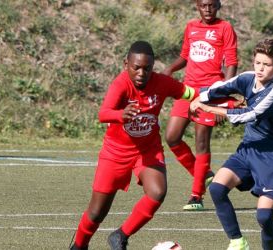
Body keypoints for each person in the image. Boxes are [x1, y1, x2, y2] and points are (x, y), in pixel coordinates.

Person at [69, 41, 198, 250]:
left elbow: (190, 93)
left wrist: (211, 101)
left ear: (153, 67)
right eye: (136, 67)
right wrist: (121, 114)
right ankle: (78, 246)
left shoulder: (162, 83)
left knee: (157, 192)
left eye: (147, 68)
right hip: (115, 153)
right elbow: (103, 113)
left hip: (148, 150)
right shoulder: (120, 84)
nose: (141, 73)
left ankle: (120, 236)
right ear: (126, 64)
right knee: (97, 212)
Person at [190, 38, 273, 250]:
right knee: (216, 189)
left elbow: (249, 114)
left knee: (263, 217)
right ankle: (237, 241)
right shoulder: (247, 78)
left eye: (267, 65)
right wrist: (200, 97)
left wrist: (210, 109)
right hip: (247, 149)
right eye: (258, 63)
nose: (260, 69)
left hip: (270, 157)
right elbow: (222, 87)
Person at [162, 0, 238, 211]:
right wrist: (169, 69)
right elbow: (185, 56)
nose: (207, 9)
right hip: (186, 91)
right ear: (197, 5)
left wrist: (223, 94)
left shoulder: (225, 28)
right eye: (203, 5)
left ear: (218, 6)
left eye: (211, 5)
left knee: (201, 141)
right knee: (172, 136)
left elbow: (231, 62)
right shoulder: (191, 27)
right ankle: (203, 174)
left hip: (210, 92)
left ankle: (196, 196)